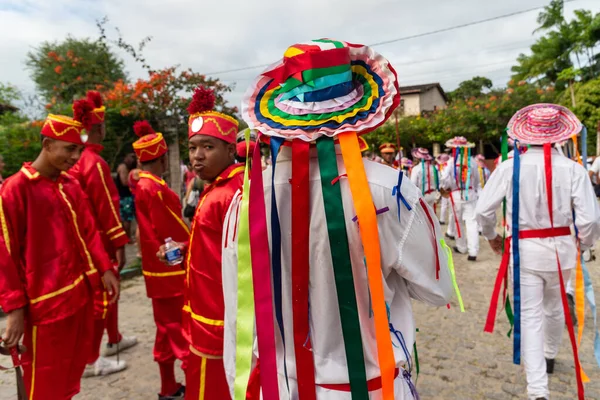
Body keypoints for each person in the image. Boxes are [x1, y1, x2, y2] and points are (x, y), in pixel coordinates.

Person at [222, 39, 453, 399]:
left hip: (281, 388)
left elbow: (237, 313)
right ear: (357, 114)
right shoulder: (389, 188)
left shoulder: (245, 203)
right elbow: (436, 289)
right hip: (373, 389)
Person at [477, 104, 600, 400]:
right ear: (559, 136)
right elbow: (590, 220)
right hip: (563, 252)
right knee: (555, 306)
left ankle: (537, 390)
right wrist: (583, 246)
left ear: (525, 135)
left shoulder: (508, 167)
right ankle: (549, 355)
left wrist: (492, 236)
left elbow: (483, 210)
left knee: (530, 316)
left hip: (525, 252)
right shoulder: (574, 169)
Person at [0, 113, 120, 399]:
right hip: (44, 307)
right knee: (44, 382)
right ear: (46, 144)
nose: (76, 156)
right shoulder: (16, 189)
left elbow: (89, 230)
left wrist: (105, 268)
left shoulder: (70, 185)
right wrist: (15, 310)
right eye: (69, 148)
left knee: (69, 376)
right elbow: (5, 253)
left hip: (79, 297)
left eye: (79, 149)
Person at [158, 86, 243, 400]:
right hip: (207, 316)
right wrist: (182, 251)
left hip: (216, 321)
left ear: (230, 149)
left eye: (207, 146)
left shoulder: (229, 193)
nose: (197, 156)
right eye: (193, 147)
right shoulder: (219, 187)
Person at [70, 91, 136, 376]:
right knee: (103, 295)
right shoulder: (94, 163)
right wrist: (119, 242)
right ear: (98, 129)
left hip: (86, 237)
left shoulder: (79, 160)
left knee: (107, 293)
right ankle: (92, 358)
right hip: (99, 239)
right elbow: (105, 208)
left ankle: (113, 339)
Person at [132, 120, 190, 400]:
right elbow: (170, 232)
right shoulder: (154, 189)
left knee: (165, 331)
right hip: (169, 271)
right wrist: (189, 249)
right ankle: (198, 387)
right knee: (180, 332)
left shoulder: (144, 185)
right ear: (163, 157)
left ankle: (168, 387)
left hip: (157, 272)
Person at [440, 136, 481, 261]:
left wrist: (445, 188)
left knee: (458, 222)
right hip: (470, 194)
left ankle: (461, 246)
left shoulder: (452, 162)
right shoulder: (473, 162)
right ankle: (473, 251)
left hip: (456, 195)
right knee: (472, 222)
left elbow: (445, 180)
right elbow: (477, 181)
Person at [115, 153, 137, 241]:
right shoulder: (123, 167)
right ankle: (127, 238)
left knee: (128, 218)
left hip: (128, 195)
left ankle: (128, 237)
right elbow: (124, 182)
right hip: (124, 196)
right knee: (126, 219)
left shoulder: (128, 167)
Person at [436, 153, 451, 225]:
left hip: (444, 188)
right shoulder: (450, 166)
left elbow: (441, 179)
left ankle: (442, 219)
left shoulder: (440, 168)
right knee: (449, 205)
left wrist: (441, 187)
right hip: (450, 188)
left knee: (444, 205)